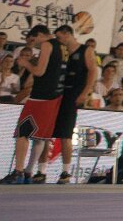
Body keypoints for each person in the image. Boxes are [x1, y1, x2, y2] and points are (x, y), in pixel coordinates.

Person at [0, 25, 65, 184]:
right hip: (54, 96)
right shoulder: (63, 47)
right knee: (40, 136)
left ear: (40, 35)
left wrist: (26, 64)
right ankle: (28, 171)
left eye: (34, 40)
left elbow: (39, 71)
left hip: (41, 96)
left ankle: (18, 171)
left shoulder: (48, 44)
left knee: (23, 132)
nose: (35, 44)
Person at [35, 25, 96, 184]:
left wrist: (85, 93)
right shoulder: (61, 51)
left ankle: (65, 171)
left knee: (65, 134)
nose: (59, 41)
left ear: (67, 34)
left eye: (60, 37)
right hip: (55, 93)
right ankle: (41, 170)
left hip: (72, 95)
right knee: (46, 133)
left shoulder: (85, 50)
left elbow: (92, 72)